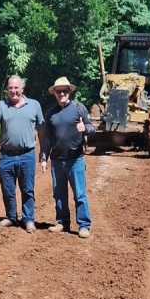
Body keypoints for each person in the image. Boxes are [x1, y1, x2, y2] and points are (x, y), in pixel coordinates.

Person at [0, 76, 45, 234]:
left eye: (16, 88)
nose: (13, 91)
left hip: (27, 155)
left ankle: (29, 219)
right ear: (7, 89)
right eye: (10, 88)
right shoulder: (1, 105)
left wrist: (43, 153)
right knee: (8, 189)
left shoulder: (34, 105)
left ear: (22, 89)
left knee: (27, 189)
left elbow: (41, 128)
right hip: (6, 155)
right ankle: (11, 217)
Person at [40, 76, 95, 238]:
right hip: (57, 161)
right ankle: (62, 222)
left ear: (69, 92)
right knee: (59, 194)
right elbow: (47, 138)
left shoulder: (79, 109)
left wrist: (84, 127)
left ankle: (84, 225)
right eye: (59, 91)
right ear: (54, 93)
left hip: (75, 159)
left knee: (79, 194)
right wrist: (44, 158)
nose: (62, 94)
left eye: (64, 91)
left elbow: (92, 128)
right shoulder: (51, 113)